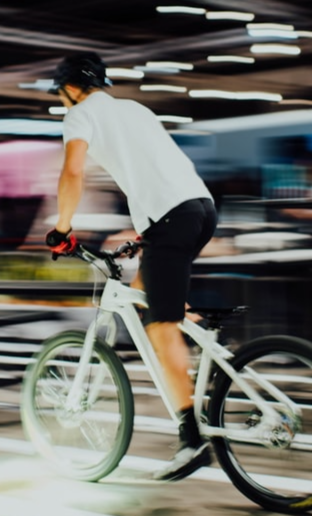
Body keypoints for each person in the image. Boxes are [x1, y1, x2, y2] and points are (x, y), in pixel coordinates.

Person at [44, 52, 217, 481]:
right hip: (201, 209)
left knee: (161, 325)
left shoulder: (81, 114)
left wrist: (62, 228)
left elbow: (72, 173)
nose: (64, 101)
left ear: (70, 88)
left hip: (171, 220)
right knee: (146, 295)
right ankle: (203, 335)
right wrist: (142, 235)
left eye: (62, 94)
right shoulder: (135, 109)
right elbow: (158, 173)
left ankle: (191, 438)